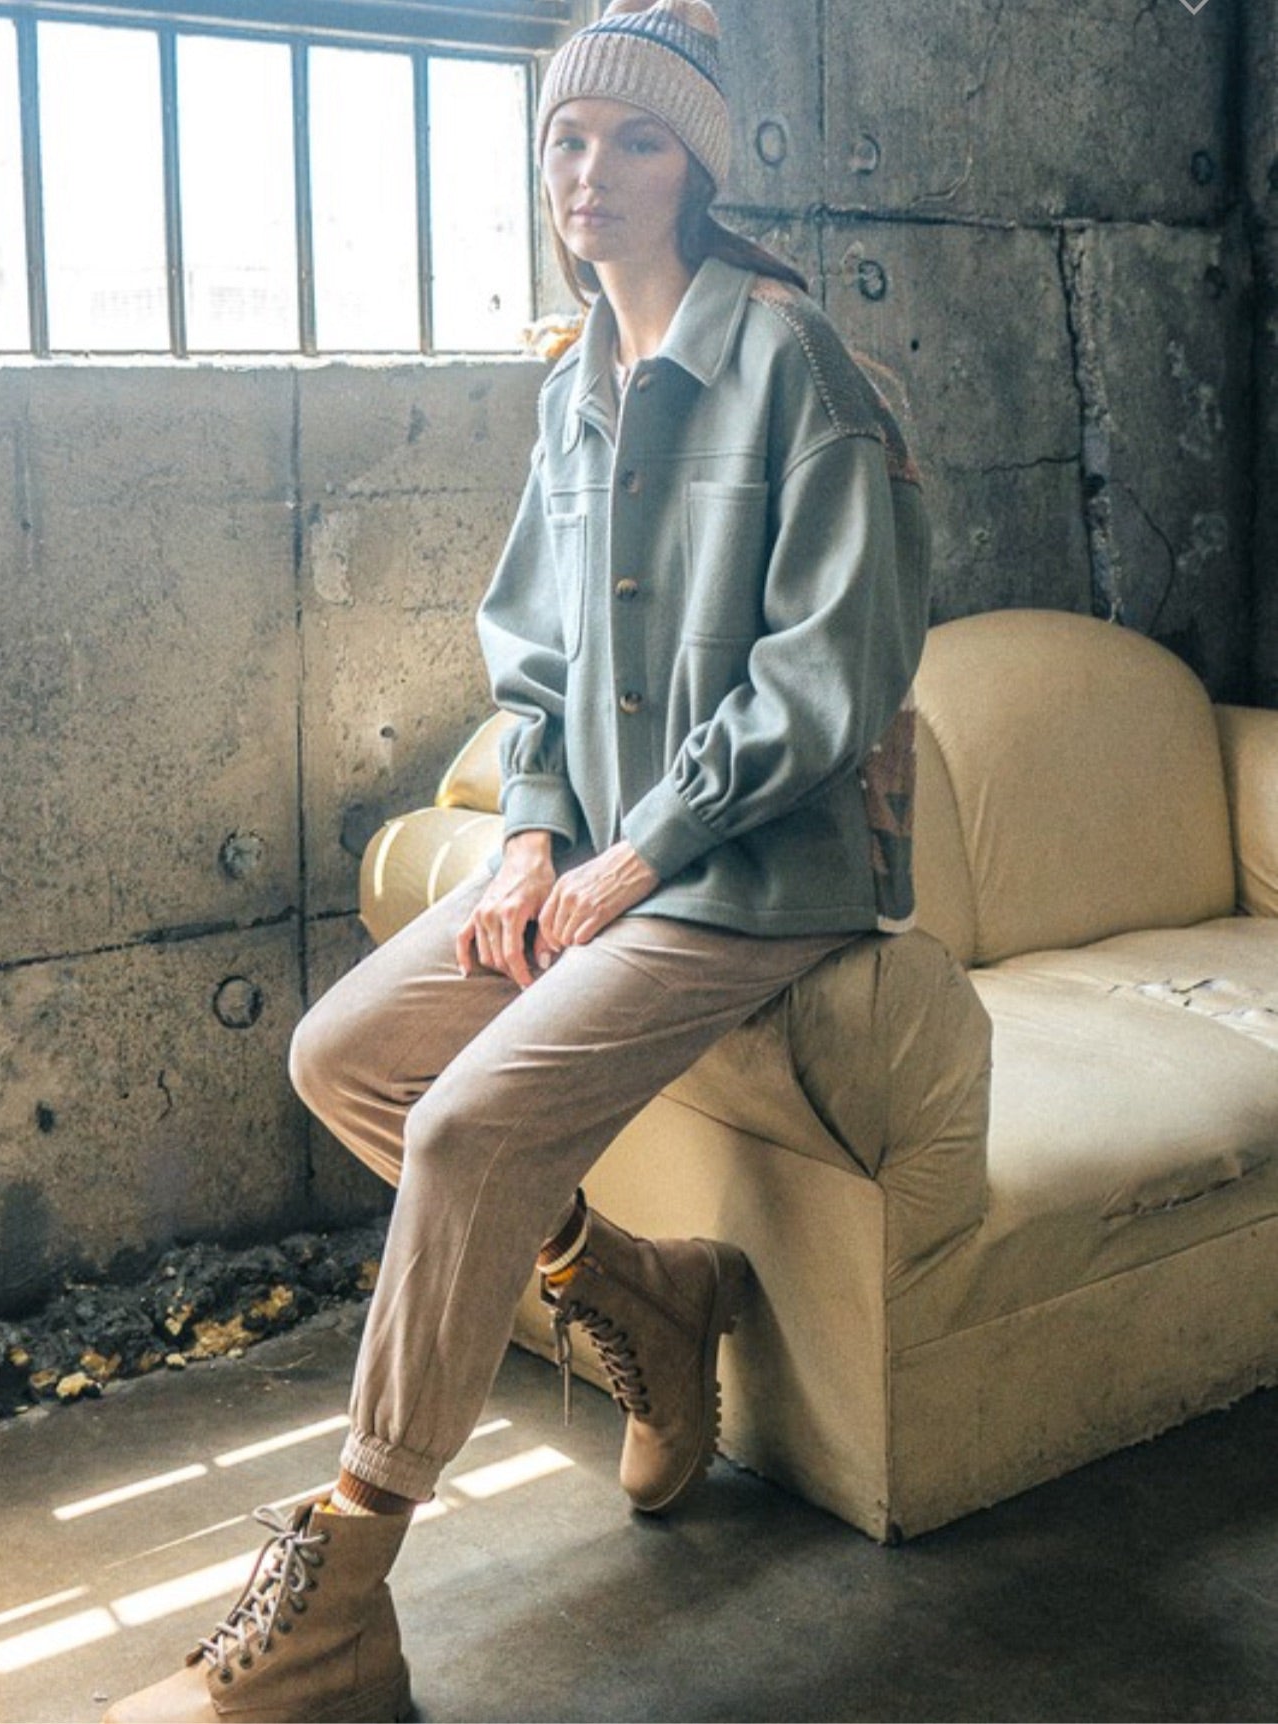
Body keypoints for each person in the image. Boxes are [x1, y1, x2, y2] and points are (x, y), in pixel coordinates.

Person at [103, 2, 930, 1718]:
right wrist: (536, 829)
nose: (591, 171)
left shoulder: (795, 365)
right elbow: (536, 661)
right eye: (567, 138)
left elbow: (832, 678)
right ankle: (647, 1298)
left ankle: (343, 1589)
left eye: (636, 140)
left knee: (469, 1125)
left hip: (758, 873)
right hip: (611, 857)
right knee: (344, 1055)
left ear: (697, 168)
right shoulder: (575, 393)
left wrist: (642, 852)